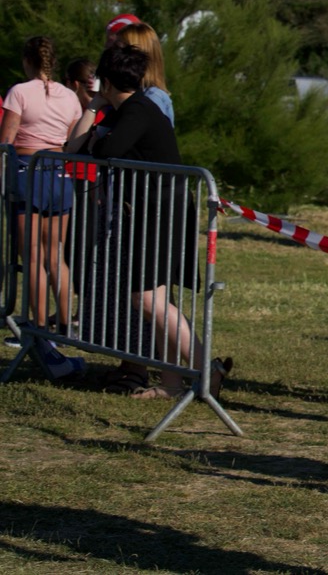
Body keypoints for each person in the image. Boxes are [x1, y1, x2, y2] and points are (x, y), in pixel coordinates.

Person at [87, 44, 230, 400]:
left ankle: (208, 370)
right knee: (158, 300)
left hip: (162, 210)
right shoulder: (133, 108)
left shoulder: (136, 109)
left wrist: (95, 122)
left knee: (148, 300)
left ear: (106, 83)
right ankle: (171, 383)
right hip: (156, 208)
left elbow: (106, 151)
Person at [1, 36, 81, 334]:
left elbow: (6, 141)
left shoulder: (19, 92)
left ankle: (38, 329)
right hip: (59, 173)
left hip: (27, 172)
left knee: (33, 256)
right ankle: (64, 325)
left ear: (27, 61)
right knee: (56, 255)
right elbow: (72, 139)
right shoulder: (69, 96)